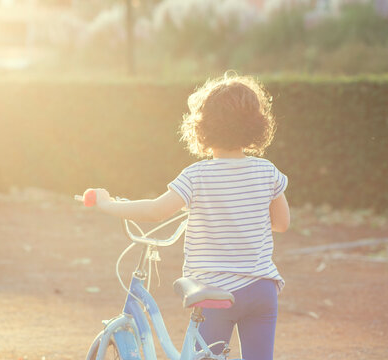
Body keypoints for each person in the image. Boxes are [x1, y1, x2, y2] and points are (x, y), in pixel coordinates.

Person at [86, 72, 290, 360]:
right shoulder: (267, 171)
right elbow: (282, 223)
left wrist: (108, 204)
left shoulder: (197, 176)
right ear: (257, 125)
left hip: (215, 292)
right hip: (262, 290)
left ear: (202, 126)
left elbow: (156, 211)